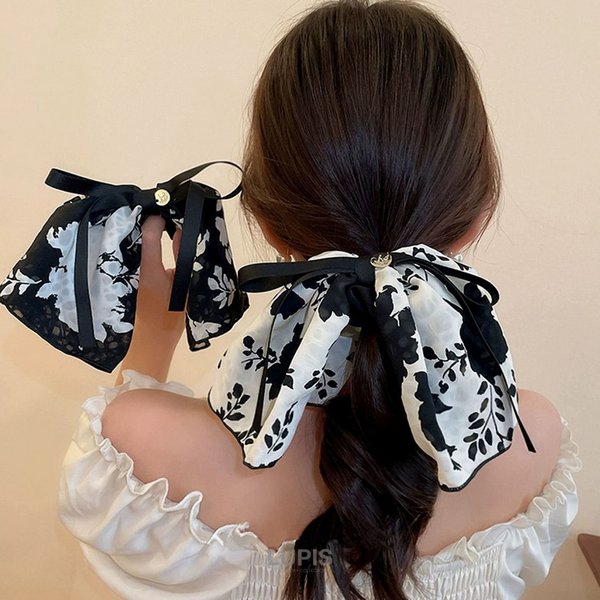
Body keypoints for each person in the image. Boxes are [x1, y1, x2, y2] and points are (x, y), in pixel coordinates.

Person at [58, 1, 582, 598]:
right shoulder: (534, 441)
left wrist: (149, 346)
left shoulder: (134, 451)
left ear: (268, 221)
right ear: (476, 214)